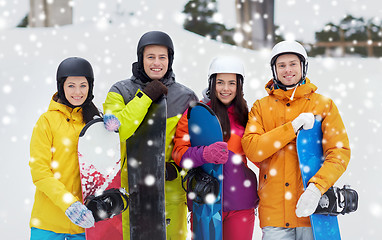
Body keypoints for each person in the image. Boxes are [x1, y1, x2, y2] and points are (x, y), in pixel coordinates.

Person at [241, 40, 351, 240]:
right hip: (275, 216)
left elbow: (339, 152)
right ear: (274, 70)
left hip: (314, 211)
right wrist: (291, 128)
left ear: (303, 66)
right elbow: (253, 149)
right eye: (281, 65)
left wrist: (316, 188)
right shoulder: (261, 107)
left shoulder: (323, 105)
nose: (287, 70)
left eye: (293, 64)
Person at [103, 31, 198, 239]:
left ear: (170, 60)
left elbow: (192, 146)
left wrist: (178, 169)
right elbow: (118, 131)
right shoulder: (120, 91)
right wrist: (145, 97)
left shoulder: (186, 96)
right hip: (132, 194)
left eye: (162, 57)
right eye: (150, 57)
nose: (157, 63)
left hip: (170, 193)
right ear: (141, 58)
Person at [172, 56, 259, 240]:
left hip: (240, 203)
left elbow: (259, 155)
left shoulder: (247, 116)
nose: (225, 89)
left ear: (239, 85)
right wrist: (204, 154)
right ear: (212, 83)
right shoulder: (196, 113)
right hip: (205, 201)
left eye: (231, 83)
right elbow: (179, 153)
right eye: (220, 82)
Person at [29, 57, 101, 239]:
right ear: (61, 86)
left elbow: (109, 167)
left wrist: (111, 131)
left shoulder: (94, 123)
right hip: (47, 225)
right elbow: (40, 173)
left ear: (90, 87)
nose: (78, 92)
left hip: (84, 227)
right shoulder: (46, 122)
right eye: (71, 85)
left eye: (83, 85)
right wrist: (69, 203)